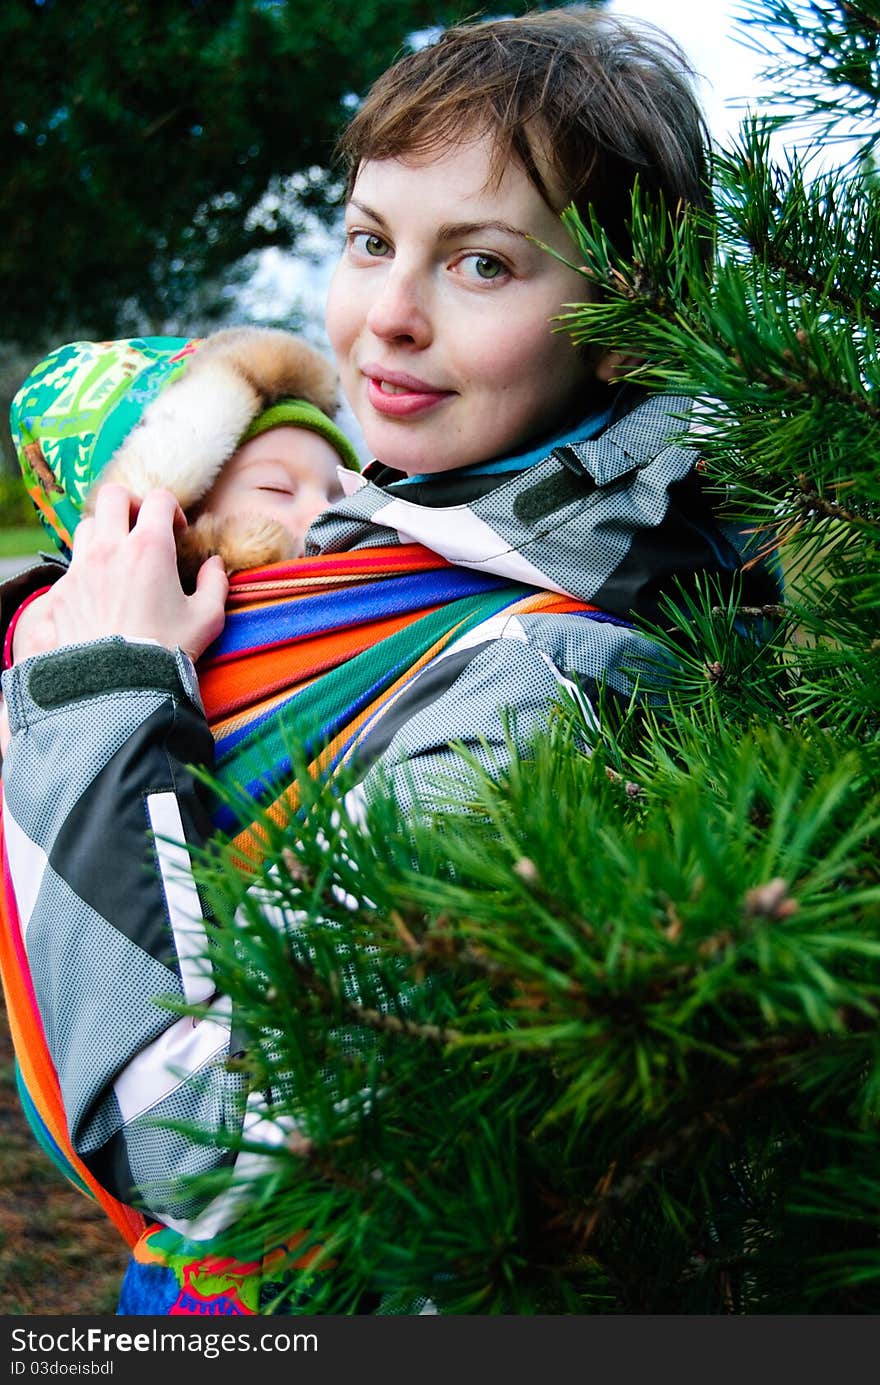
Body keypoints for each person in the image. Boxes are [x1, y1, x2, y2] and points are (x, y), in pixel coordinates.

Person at [0, 9, 782, 1314]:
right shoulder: (412, 535)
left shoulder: (558, 680)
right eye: (371, 242)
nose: (387, 320)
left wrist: (100, 692)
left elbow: (210, 1149)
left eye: (481, 265)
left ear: (628, 315)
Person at [3, 327, 360, 671]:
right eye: (276, 489)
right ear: (177, 517)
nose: (326, 511)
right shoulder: (47, 651)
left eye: (339, 492)